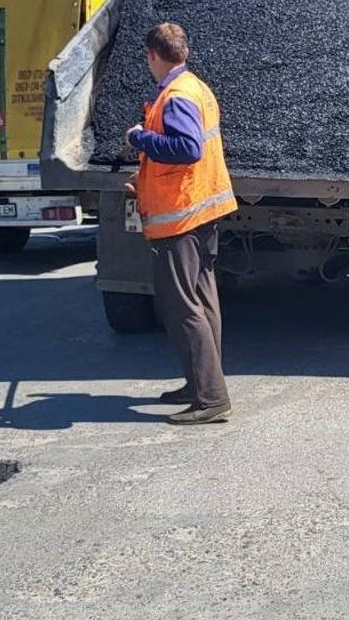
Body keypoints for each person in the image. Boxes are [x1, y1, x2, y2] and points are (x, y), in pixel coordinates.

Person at [125, 22, 237, 425]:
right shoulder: (196, 86)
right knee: (204, 301)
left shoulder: (176, 96)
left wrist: (140, 139)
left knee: (182, 306)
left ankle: (210, 398)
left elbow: (187, 149)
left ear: (153, 55)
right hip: (201, 211)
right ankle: (199, 384)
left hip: (181, 219)